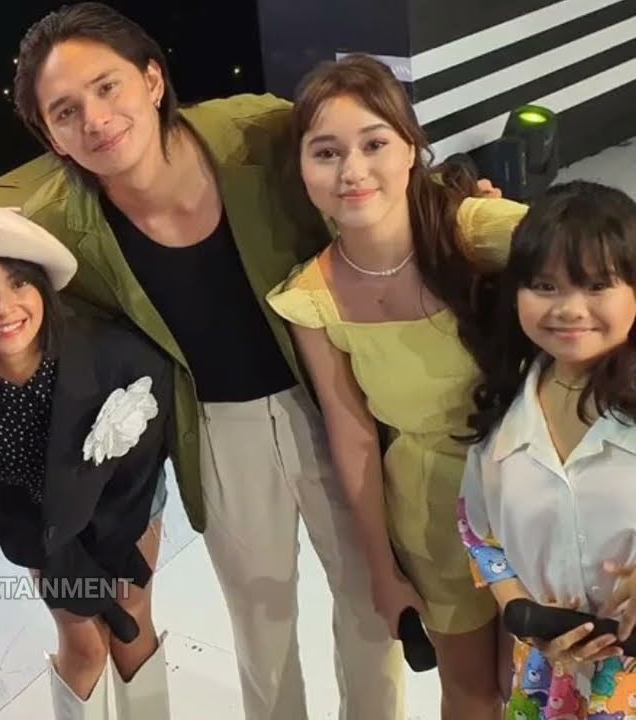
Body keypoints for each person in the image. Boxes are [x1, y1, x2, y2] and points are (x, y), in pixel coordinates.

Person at [0, 4, 407, 717]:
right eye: (65, 111)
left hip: (331, 402)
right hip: (212, 428)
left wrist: (461, 207)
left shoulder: (257, 132)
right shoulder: (60, 221)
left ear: (153, 79)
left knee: (373, 605)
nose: (95, 119)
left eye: (107, 87)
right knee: (262, 622)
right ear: (49, 135)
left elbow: (364, 168)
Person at [265, 54, 529, 718]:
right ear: (302, 169)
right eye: (327, 152)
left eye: (374, 144)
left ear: (411, 148)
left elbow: (601, 264)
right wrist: (382, 571)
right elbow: (352, 434)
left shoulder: (475, 230)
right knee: (471, 691)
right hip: (431, 509)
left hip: (533, 490)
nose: (352, 171)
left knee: (537, 686)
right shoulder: (310, 298)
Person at [0, 207, 174, 719]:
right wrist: (63, 563)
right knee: (84, 640)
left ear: (43, 289)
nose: (3, 309)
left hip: (123, 502)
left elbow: (138, 469)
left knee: (131, 616)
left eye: (18, 284)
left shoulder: (118, 356)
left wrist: (107, 565)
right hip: (34, 521)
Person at [458, 181, 636, 720]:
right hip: (549, 682)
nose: (570, 309)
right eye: (545, 285)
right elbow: (479, 533)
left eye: (597, 285)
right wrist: (522, 613)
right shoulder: (504, 414)